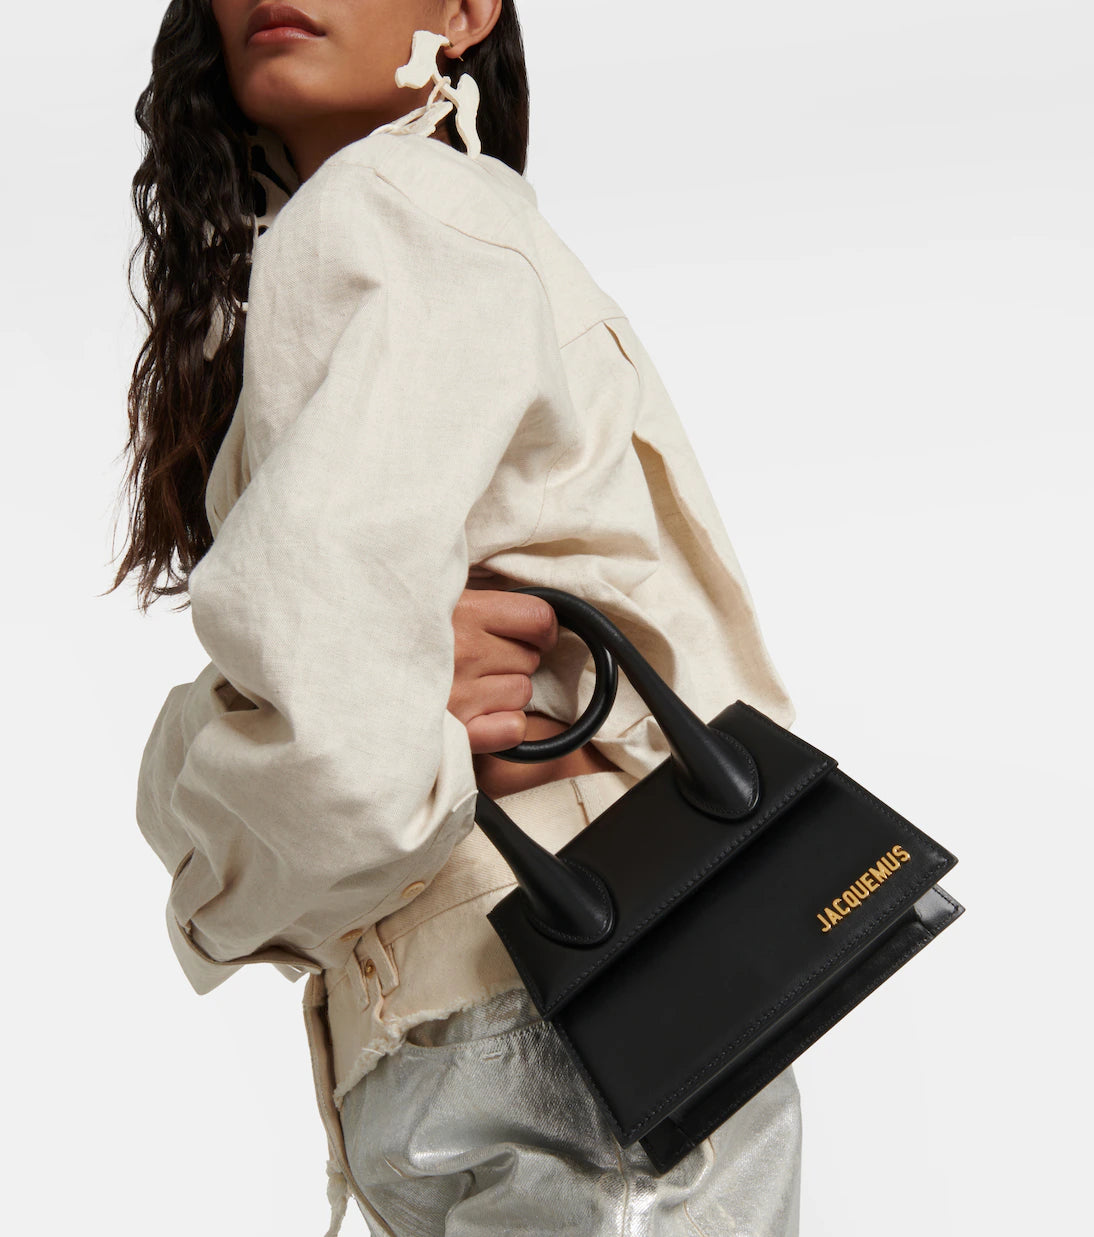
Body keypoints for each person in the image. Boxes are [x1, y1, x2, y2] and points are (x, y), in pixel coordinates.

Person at [112, 2, 804, 1233]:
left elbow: (337, 752)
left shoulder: (391, 202)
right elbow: (340, 711)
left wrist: (196, 790)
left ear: (464, 12)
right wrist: (367, 701)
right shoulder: (417, 226)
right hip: (596, 995)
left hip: (505, 1018)